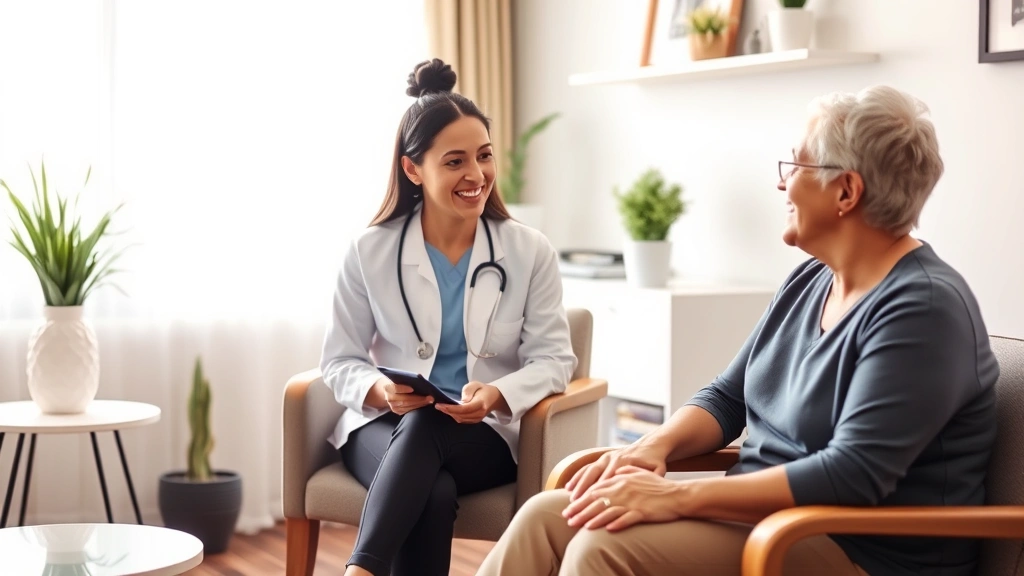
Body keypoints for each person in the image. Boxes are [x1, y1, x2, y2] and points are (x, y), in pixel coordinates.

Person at [477, 85, 999, 576]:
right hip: (770, 522)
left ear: (846, 190)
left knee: (601, 544)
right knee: (545, 516)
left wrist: (676, 497)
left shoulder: (923, 309)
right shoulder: (812, 279)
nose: (781, 182)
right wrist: (651, 448)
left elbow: (852, 474)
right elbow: (727, 398)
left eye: (795, 164)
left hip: (855, 547)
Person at [317, 58, 576, 576]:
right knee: (430, 489)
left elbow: (555, 359)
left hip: (484, 436)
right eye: (454, 161)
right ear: (413, 169)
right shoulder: (371, 250)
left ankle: (358, 571)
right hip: (382, 424)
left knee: (427, 429)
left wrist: (497, 394)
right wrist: (379, 392)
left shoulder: (529, 251)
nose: (476, 175)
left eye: (483, 157)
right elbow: (339, 360)